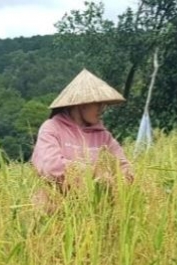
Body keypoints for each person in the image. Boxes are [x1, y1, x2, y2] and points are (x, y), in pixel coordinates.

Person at [30, 69, 133, 206]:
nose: (102, 109)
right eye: (98, 103)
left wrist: (118, 183)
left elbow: (124, 167)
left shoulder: (103, 136)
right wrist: (95, 172)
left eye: (104, 104)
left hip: (97, 210)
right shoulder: (52, 128)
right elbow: (50, 166)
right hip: (57, 209)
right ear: (82, 104)